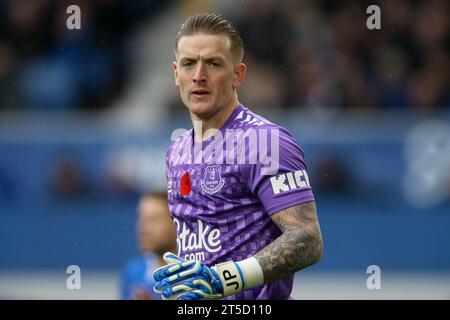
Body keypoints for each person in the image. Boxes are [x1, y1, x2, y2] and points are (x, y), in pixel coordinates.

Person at [153, 13, 323, 300]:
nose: (199, 75)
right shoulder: (177, 150)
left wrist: (225, 279)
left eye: (214, 63)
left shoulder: (265, 142)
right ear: (175, 74)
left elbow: (307, 240)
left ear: (238, 75)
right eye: (189, 63)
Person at [121, 190, 177, 300]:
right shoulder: (133, 271)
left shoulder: (198, 271)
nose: (143, 227)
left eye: (154, 219)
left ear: (176, 225)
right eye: (142, 218)